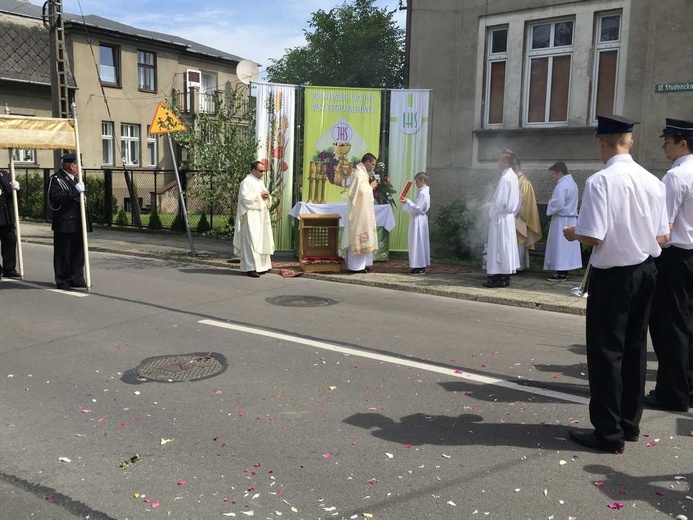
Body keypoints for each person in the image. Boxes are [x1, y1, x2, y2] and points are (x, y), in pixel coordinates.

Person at [564, 115, 669, 454]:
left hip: (614, 276)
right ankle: (629, 423)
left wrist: (573, 232)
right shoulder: (653, 180)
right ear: (630, 142)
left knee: (606, 352)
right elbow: (663, 235)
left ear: (600, 141)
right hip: (647, 269)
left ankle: (608, 433)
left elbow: (594, 235)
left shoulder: (600, 181)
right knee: (636, 349)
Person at [646, 118, 693, 412]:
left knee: (669, 326)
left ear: (683, 143)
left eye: (669, 140)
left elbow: (663, 230)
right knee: (688, 324)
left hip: (676, 257)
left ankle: (672, 393)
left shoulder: (676, 177)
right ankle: (687, 385)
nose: (664, 145)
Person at [48, 153, 92, 290]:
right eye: (79, 165)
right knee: (64, 253)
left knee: (78, 252)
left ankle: (76, 277)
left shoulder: (77, 180)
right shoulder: (56, 179)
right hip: (65, 222)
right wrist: (74, 191)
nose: (81, 168)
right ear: (72, 166)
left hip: (78, 222)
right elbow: (55, 198)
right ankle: (63, 279)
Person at [484, 149, 521, 288]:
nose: (498, 163)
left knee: (499, 247)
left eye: (500, 160)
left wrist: (490, 211)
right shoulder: (513, 176)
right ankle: (504, 276)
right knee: (505, 247)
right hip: (508, 217)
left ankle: (498, 277)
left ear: (505, 162)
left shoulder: (505, 178)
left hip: (500, 218)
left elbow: (499, 202)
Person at [233, 161, 275, 278]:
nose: (263, 173)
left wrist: (267, 196)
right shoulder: (246, 182)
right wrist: (259, 195)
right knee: (251, 242)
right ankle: (250, 267)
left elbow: (265, 195)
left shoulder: (260, 182)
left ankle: (262, 266)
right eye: (261, 171)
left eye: (264, 171)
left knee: (261, 240)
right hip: (251, 216)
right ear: (253, 170)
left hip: (261, 216)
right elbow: (244, 199)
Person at [543, 161, 582, 281]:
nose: (554, 178)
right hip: (571, 219)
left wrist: (550, 202)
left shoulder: (562, 185)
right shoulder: (572, 184)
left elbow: (558, 204)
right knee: (567, 248)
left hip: (562, 220)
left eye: (554, 174)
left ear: (560, 173)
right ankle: (564, 271)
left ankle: (560, 272)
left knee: (560, 247)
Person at [341, 152, 378, 273]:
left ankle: (364, 264)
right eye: (372, 164)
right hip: (358, 213)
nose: (372, 166)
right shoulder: (358, 174)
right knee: (358, 235)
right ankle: (355, 267)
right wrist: (371, 187)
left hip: (364, 212)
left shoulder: (363, 173)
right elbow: (358, 193)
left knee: (365, 236)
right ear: (367, 162)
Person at [400, 172, 430, 275]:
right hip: (418, 218)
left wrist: (407, 201)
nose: (416, 183)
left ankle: (420, 266)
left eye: (417, 181)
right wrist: (407, 202)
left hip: (419, 219)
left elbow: (418, 208)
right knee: (415, 242)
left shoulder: (423, 193)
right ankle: (416, 265)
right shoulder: (422, 191)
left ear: (422, 181)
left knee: (419, 242)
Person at [515, 162, 542, 270]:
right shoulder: (514, 179)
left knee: (519, 241)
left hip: (519, 218)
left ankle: (517, 266)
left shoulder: (523, 182)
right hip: (514, 216)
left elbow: (523, 202)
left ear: (516, 167)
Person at [0, 170, 21, 279]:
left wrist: (16, 189)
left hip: (6, 215)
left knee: (10, 240)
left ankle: (9, 268)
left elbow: (13, 197)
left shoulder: (6, 175)